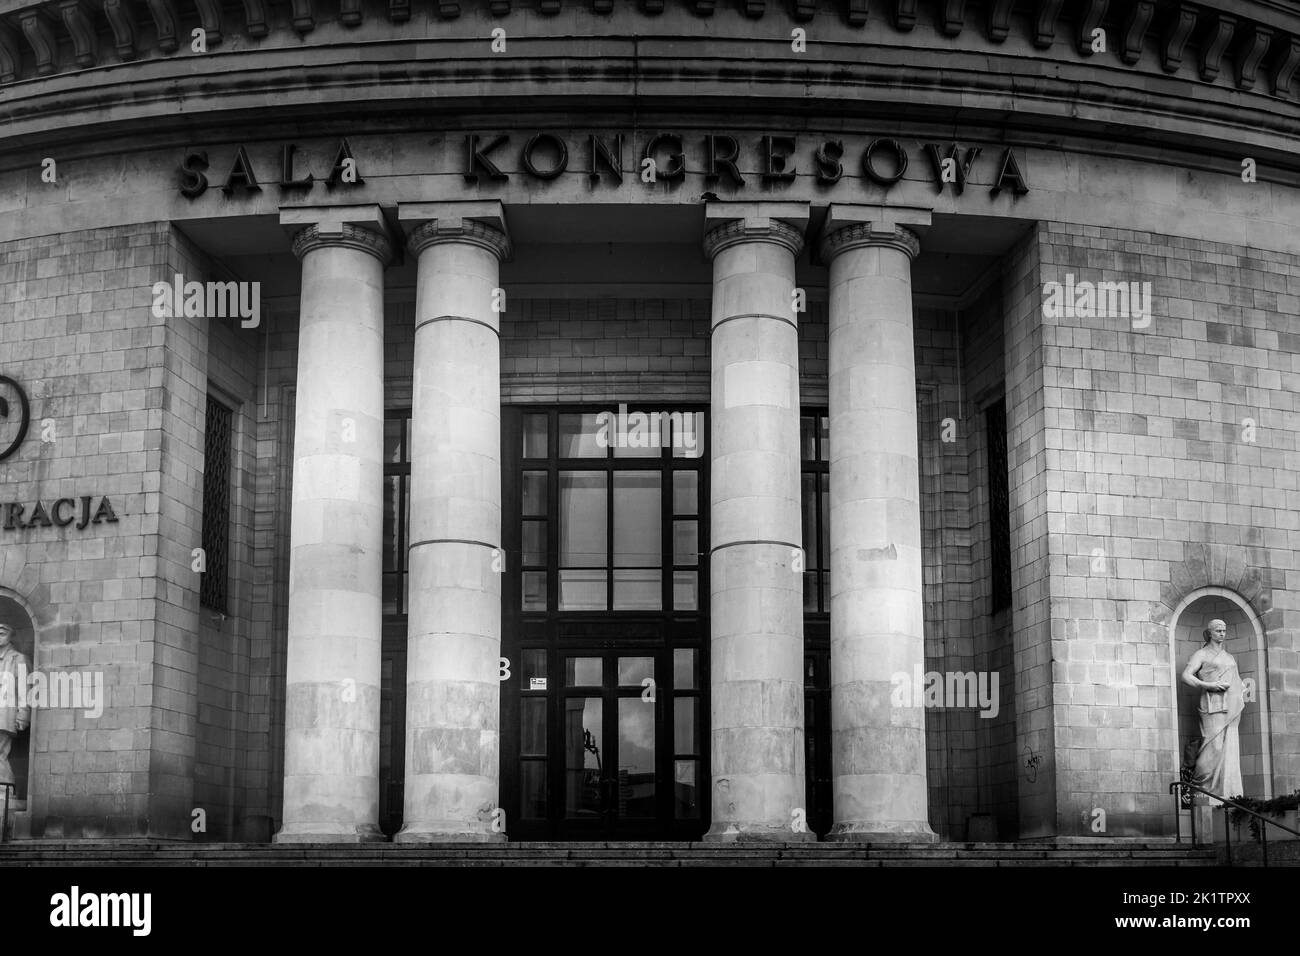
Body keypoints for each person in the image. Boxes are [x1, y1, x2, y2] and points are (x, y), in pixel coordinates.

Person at [1180, 619, 1244, 804]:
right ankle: (1203, 790)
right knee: (1213, 746)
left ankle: (1227, 791)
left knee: (1229, 746)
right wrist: (1208, 685)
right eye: (1218, 630)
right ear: (1209, 633)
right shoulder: (1202, 654)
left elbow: (1236, 680)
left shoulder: (1229, 657)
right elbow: (1185, 676)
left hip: (1230, 705)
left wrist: (1241, 692)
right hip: (1211, 703)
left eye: (1224, 630)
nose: (1222, 634)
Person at [0, 622, 29, 792]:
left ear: (12, 634)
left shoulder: (19, 659)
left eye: (3, 630)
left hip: (5, 713)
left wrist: (23, 714)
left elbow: (25, 689)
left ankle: (5, 787)